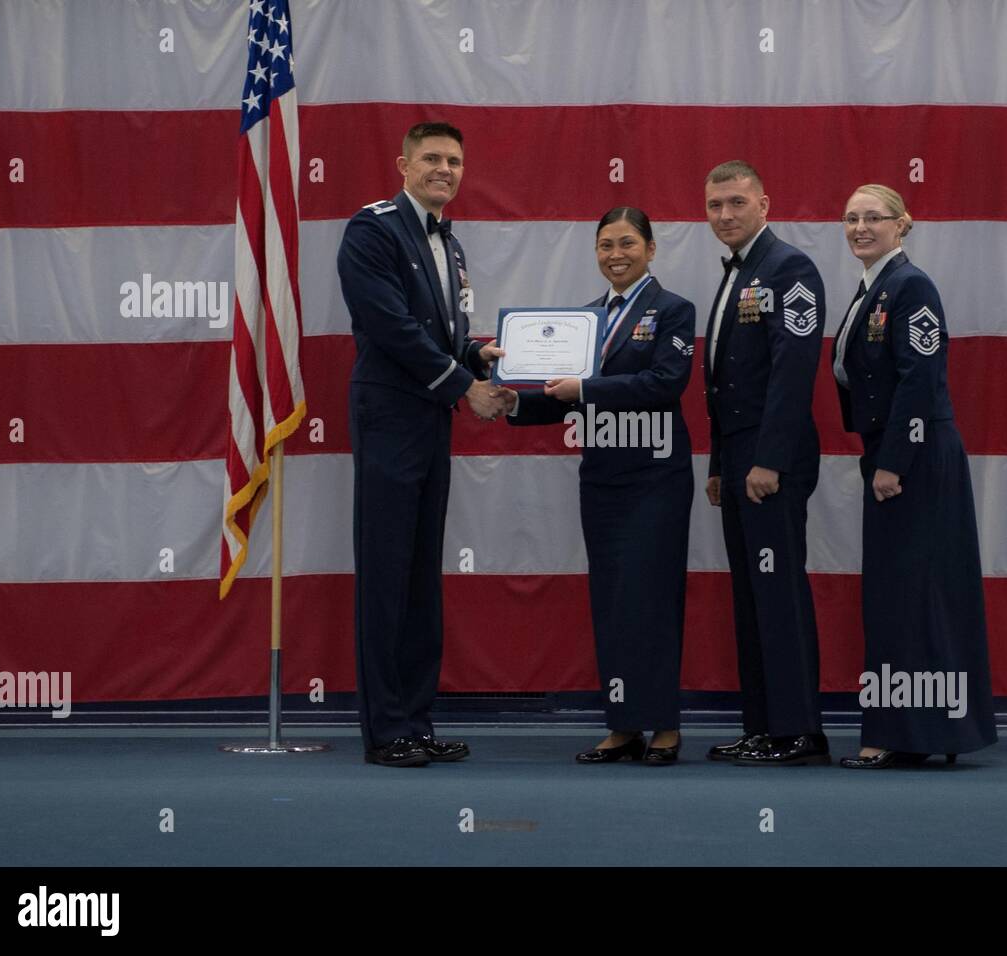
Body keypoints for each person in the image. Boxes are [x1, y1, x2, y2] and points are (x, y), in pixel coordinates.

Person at [337, 121, 513, 768]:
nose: (445, 169)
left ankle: (415, 720)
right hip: (389, 416)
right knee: (387, 576)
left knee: (419, 580)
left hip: (430, 418)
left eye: (455, 161)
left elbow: (440, 333)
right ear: (403, 164)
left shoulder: (452, 243)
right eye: (433, 158)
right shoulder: (373, 229)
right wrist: (463, 385)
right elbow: (389, 327)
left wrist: (480, 353)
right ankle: (386, 731)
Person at [508, 207, 695, 764]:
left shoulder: (674, 310)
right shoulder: (584, 319)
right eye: (605, 245)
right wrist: (513, 399)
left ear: (652, 248)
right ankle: (622, 725)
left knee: (652, 600)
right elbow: (559, 393)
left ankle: (664, 726)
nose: (615, 254)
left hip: (656, 477)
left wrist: (585, 389)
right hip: (603, 479)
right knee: (612, 602)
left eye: (627, 243)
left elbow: (665, 383)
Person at [830, 184, 998, 768]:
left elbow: (919, 379)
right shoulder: (873, 287)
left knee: (917, 594)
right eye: (850, 218)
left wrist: (893, 462)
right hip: (892, 452)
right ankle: (914, 732)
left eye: (873, 217)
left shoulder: (910, 285)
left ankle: (909, 733)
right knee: (897, 595)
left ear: (904, 224)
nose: (859, 227)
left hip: (916, 458)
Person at [701, 161, 830, 765]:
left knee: (778, 592)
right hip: (742, 458)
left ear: (764, 204)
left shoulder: (789, 269)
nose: (724, 215)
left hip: (772, 461)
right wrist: (720, 464)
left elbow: (792, 371)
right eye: (714, 205)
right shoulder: (737, 271)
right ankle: (762, 726)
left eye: (735, 202)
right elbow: (726, 382)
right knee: (752, 596)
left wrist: (768, 460)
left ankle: (800, 731)